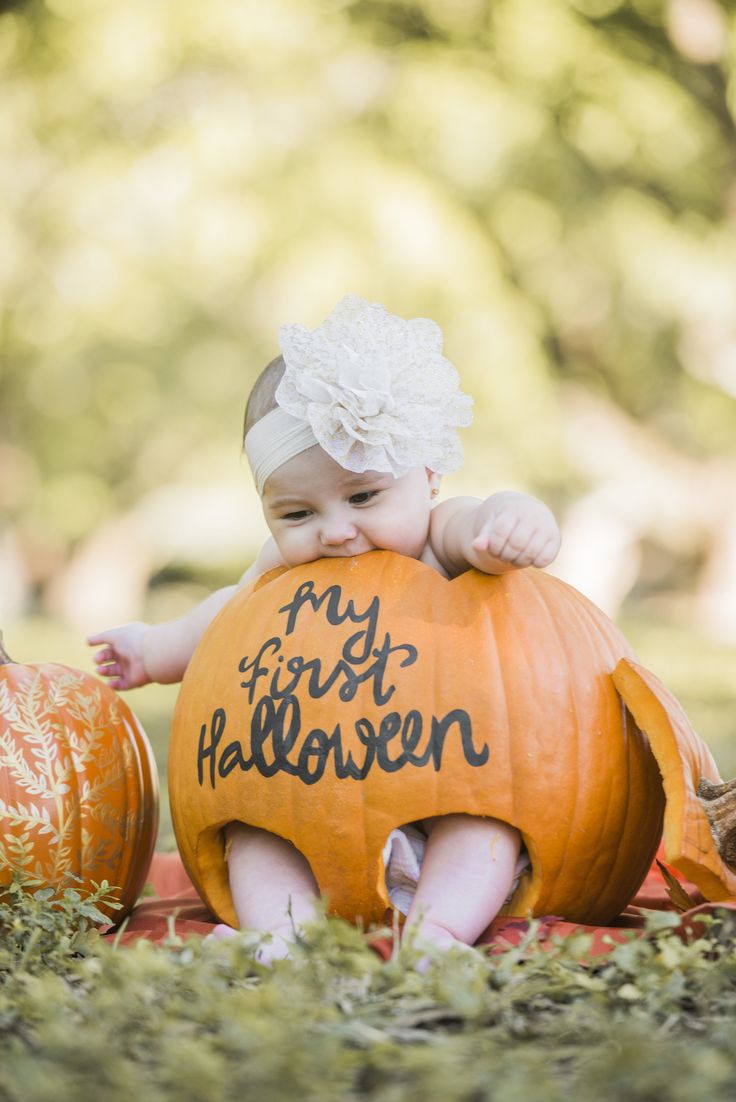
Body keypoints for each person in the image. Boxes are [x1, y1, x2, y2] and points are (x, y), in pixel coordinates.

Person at [89, 295, 561, 965]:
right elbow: (226, 616)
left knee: (483, 824)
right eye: (297, 512)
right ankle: (282, 935)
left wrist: (515, 523)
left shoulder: (441, 535)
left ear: (426, 476)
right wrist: (155, 649)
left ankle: (440, 931)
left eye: (363, 497)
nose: (336, 530)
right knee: (253, 832)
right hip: (307, 812)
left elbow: (483, 524)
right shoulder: (283, 567)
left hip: (440, 798)